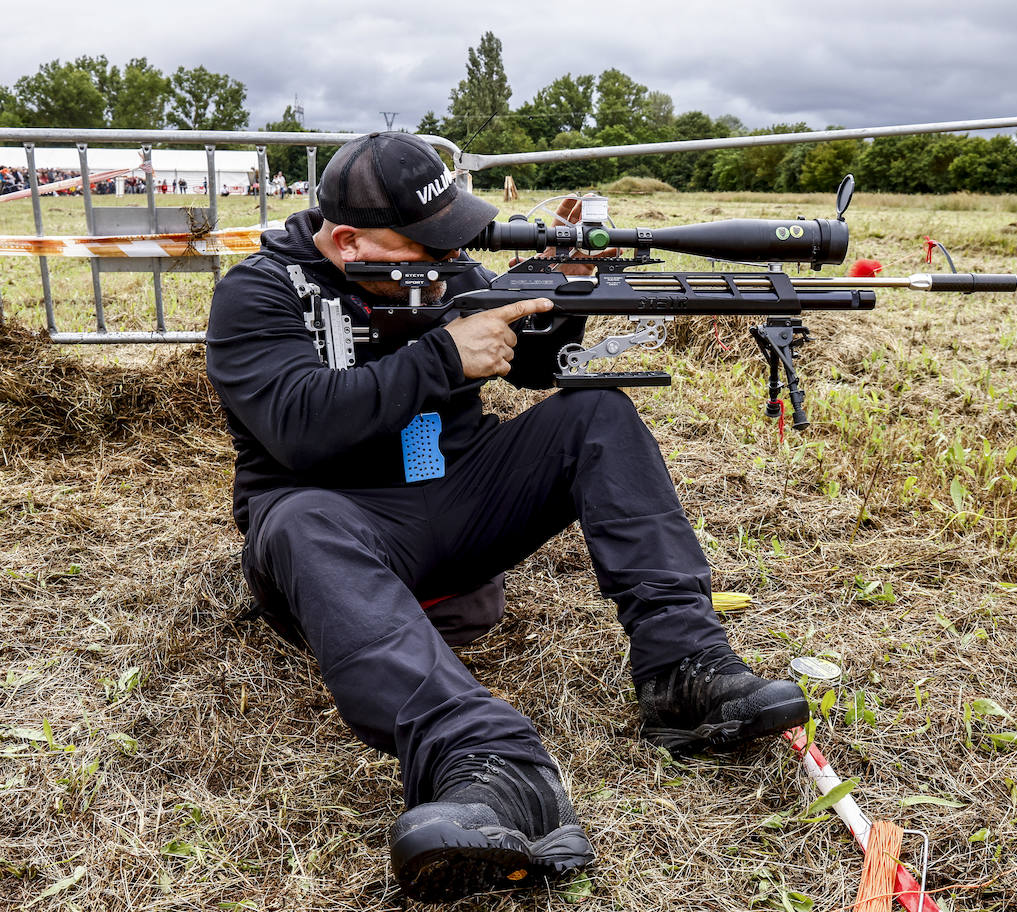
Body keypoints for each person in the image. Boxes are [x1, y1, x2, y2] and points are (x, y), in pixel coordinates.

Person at [204, 132, 809, 903]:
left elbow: (525, 361)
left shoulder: (445, 267)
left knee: (596, 414)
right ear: (350, 241)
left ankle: (682, 672)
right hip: (334, 534)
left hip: (456, 502)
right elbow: (295, 424)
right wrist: (441, 358)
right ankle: (485, 764)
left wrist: (558, 291)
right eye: (426, 245)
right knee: (296, 520)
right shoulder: (257, 291)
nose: (446, 258)